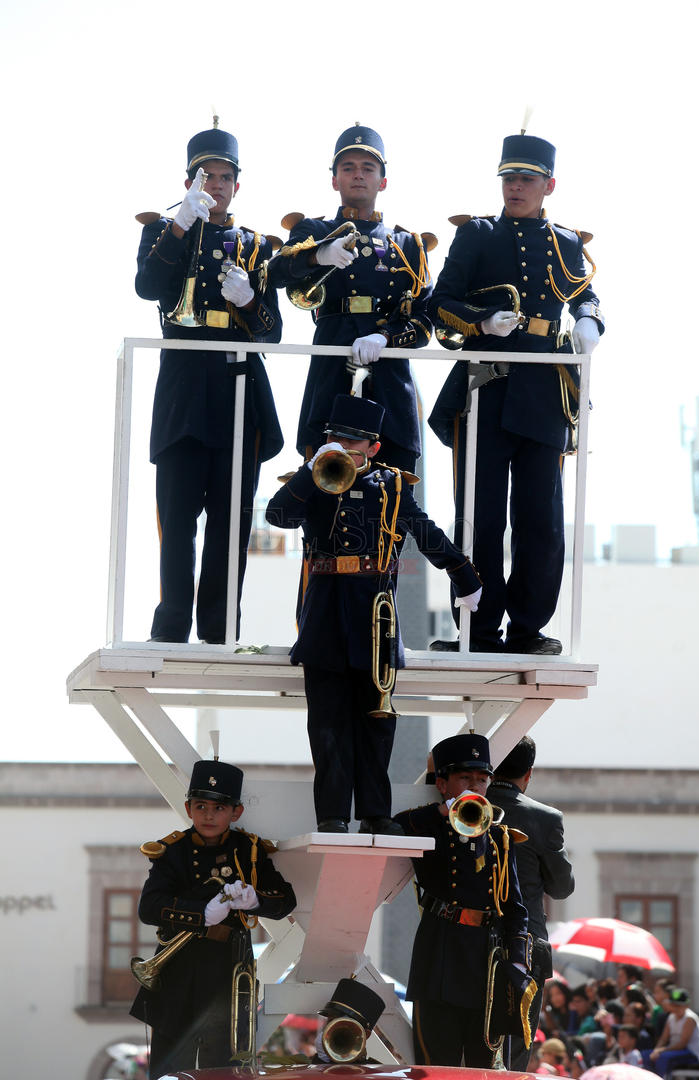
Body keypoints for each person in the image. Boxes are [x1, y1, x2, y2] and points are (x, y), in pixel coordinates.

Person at [265, 396, 482, 835]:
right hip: (324, 608)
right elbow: (278, 515)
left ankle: (374, 811)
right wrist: (311, 472)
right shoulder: (314, 480)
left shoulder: (393, 486)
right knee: (326, 723)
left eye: (351, 439)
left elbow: (425, 531)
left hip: (373, 610)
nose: (341, 445)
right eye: (335, 436)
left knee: (376, 721)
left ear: (373, 447)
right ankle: (331, 812)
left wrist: (462, 572)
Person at [428, 129, 604, 655]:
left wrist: (591, 321)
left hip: (546, 388)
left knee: (541, 520)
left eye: (526, 178)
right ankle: (476, 630)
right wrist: (483, 321)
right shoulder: (478, 234)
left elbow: (586, 294)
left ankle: (527, 629)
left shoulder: (567, 241)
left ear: (548, 184)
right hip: (487, 382)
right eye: (508, 177)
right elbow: (442, 303)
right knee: (478, 517)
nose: (515, 187)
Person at [136, 120, 283, 643]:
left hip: (235, 389)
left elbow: (272, 331)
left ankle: (220, 630)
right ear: (189, 181)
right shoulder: (161, 231)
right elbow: (148, 287)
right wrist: (178, 228)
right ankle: (171, 624)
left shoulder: (257, 246)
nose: (215, 185)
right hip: (181, 385)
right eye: (206, 176)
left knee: (229, 523)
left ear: (237, 186)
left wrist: (248, 300)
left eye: (224, 177)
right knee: (177, 519)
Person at [269, 123, 433, 471]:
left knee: (395, 491)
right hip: (332, 367)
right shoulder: (314, 232)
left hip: (388, 376)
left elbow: (426, 318)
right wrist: (318, 255)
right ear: (334, 180)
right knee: (323, 488)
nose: (358, 175)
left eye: (368, 168)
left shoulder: (406, 245)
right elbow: (277, 271)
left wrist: (385, 336)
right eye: (348, 168)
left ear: (383, 181)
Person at [130, 759, 296, 1078]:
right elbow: (148, 907)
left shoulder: (249, 850)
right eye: (201, 805)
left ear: (236, 813)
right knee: (170, 1071)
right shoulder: (173, 851)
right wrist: (201, 915)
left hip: (227, 976)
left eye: (220, 807)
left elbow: (285, 901)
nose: (209, 815)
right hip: (179, 977)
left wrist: (255, 899)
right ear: (188, 808)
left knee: (223, 1070)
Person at [393, 733, 533, 1067]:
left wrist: (517, 957)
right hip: (440, 953)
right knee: (435, 1064)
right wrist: (444, 812)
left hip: (486, 960)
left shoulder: (499, 836)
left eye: (482, 779)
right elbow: (397, 826)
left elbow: (514, 904)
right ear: (443, 783)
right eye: (465, 778)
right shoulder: (429, 823)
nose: (475, 786)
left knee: (484, 1066)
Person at [487, 735, 575, 1068]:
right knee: (515, 1050)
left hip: (471, 938)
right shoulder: (546, 818)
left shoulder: (466, 808)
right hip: (524, 944)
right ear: (529, 773)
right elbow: (562, 887)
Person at [312, 977, 386, 1063]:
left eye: (343, 1026)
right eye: (330, 1021)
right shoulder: (310, 1066)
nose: (331, 1028)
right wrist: (320, 1061)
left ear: (366, 1035)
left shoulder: (374, 1074)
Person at [645, 988, 699, 1078]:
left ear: (686, 1006)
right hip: (673, 1051)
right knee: (645, 1056)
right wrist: (655, 1050)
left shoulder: (689, 1018)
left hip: (690, 1053)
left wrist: (661, 1051)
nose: (675, 1008)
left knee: (663, 1058)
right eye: (673, 1004)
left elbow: (682, 1044)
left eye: (678, 1005)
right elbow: (664, 1038)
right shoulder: (671, 1017)